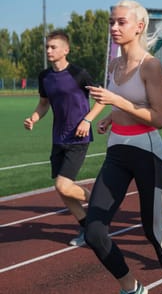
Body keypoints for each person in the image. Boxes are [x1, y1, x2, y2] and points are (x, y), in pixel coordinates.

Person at [84, 0, 162, 294]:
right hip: (117, 150)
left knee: (153, 230)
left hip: (147, 153)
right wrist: (110, 118)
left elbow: (159, 118)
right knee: (94, 230)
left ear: (139, 27)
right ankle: (131, 286)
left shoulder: (150, 65)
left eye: (121, 22)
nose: (114, 27)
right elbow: (126, 106)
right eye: (111, 22)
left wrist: (116, 102)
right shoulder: (114, 64)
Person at [23, 29, 105, 246]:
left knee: (63, 186)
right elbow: (43, 104)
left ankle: (101, 205)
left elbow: (102, 99)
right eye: (47, 47)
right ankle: (89, 230)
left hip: (78, 138)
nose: (49, 50)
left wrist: (87, 121)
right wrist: (33, 118)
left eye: (53, 47)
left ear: (65, 50)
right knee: (64, 192)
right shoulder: (45, 77)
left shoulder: (79, 73)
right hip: (58, 138)